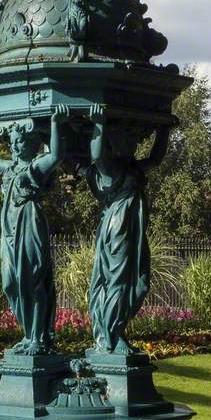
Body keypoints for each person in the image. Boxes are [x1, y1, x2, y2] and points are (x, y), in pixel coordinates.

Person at [0, 107, 69, 354]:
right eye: (13, 142)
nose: (14, 147)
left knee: (32, 280)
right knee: (9, 283)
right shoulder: (8, 168)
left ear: (32, 144)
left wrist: (57, 123)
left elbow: (56, 155)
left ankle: (37, 338)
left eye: (19, 142)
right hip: (8, 229)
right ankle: (29, 334)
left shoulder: (36, 167)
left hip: (29, 223)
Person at [82, 104, 172, 353]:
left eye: (134, 139)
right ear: (114, 142)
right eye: (127, 138)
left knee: (138, 283)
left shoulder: (132, 167)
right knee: (118, 281)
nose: (133, 143)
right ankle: (111, 335)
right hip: (118, 228)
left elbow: (155, 159)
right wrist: (98, 124)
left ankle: (115, 330)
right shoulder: (110, 169)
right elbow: (97, 155)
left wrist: (164, 131)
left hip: (132, 229)